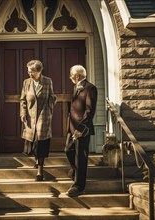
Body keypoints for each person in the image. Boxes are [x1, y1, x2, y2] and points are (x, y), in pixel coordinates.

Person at [20, 60, 57, 181]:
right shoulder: (26, 82)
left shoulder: (47, 81)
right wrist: (23, 112)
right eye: (28, 71)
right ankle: (36, 159)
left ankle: (40, 170)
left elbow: (52, 96)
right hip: (30, 115)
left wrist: (49, 107)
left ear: (39, 71)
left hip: (44, 114)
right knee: (32, 142)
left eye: (32, 71)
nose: (29, 73)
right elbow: (23, 99)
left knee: (41, 141)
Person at [65, 64, 97, 197]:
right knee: (68, 150)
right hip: (72, 128)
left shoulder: (90, 88)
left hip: (81, 129)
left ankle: (79, 186)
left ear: (77, 76)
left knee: (81, 158)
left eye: (71, 75)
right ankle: (76, 172)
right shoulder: (76, 87)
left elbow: (89, 111)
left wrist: (81, 129)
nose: (70, 77)